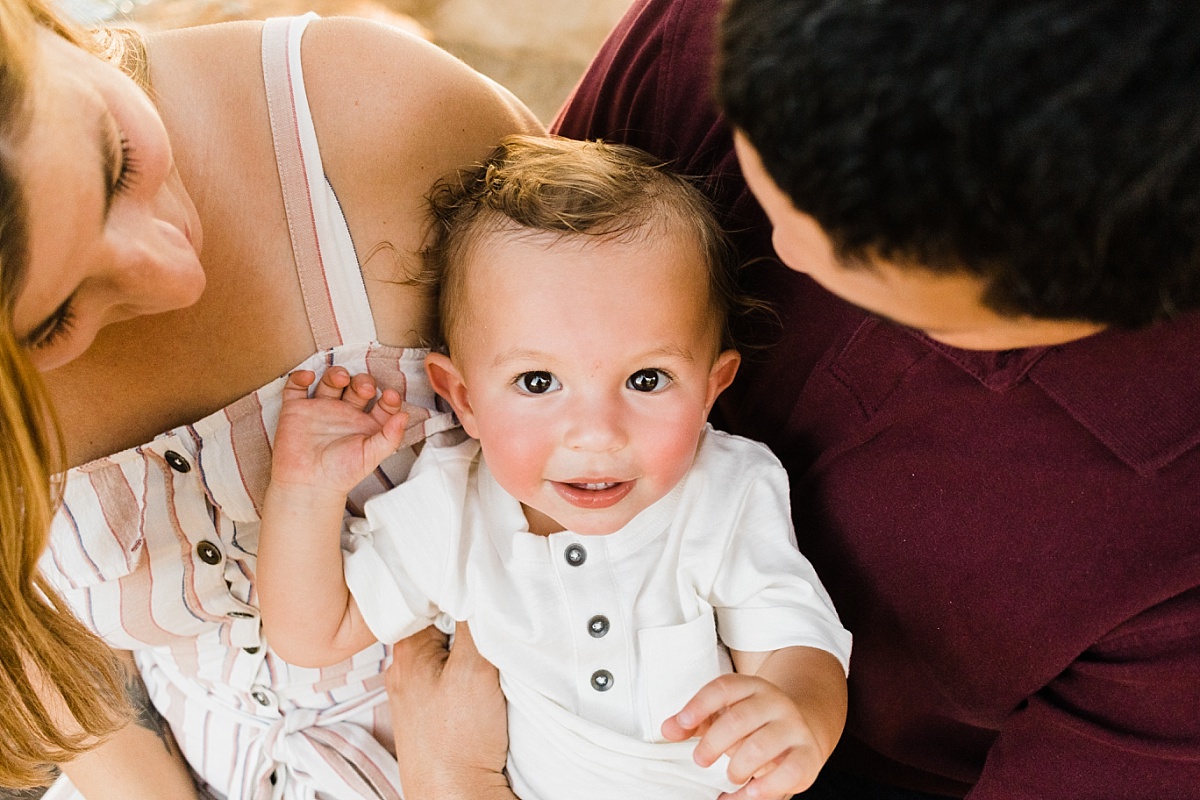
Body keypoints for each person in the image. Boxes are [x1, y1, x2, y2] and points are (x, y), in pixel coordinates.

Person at [549, 0, 1200, 798]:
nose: (778, 244)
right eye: (763, 163)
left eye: (859, 262)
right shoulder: (708, 30)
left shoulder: (1174, 542)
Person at [0, 0, 541, 795]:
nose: (177, 272)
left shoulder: (384, 115)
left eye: (117, 160)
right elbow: (38, 662)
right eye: (55, 321)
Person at [257, 134, 853, 800]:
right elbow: (314, 632)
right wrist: (305, 492)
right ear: (464, 399)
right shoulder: (455, 508)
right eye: (538, 382)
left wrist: (801, 714)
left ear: (714, 386)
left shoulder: (724, 491)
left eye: (647, 379)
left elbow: (795, 643)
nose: (597, 435)